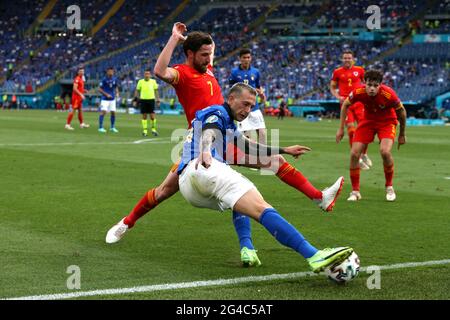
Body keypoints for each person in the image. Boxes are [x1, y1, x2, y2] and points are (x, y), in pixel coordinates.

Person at [106, 23, 344, 267]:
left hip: (225, 134)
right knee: (166, 191)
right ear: (190, 54)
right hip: (202, 136)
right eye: (204, 55)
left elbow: (210, 49)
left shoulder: (207, 69)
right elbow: (159, 70)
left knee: (258, 173)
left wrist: (209, 45)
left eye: (210, 54)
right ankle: (126, 222)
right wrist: (174, 38)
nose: (210, 59)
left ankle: (261, 238)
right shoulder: (182, 74)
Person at [177, 82, 354, 273]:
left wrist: (284, 149)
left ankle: (248, 249)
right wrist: (205, 150)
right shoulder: (219, 112)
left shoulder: (229, 123)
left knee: (239, 200)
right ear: (231, 99)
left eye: (251, 106)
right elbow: (209, 130)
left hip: (189, 187)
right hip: (204, 168)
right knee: (260, 206)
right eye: (245, 104)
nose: (248, 110)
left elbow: (249, 147)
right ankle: (314, 255)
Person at [336, 69, 407, 202]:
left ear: (380, 85)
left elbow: (402, 112)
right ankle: (355, 191)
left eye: (375, 85)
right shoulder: (359, 92)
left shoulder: (388, 94)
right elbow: (345, 105)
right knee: (354, 154)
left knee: (385, 152)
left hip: (387, 122)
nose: (372, 89)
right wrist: (341, 129)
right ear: (364, 83)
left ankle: (389, 186)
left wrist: (402, 134)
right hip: (368, 122)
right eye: (369, 85)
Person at [330, 50, 372, 170]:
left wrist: (366, 95)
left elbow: (367, 84)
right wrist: (338, 96)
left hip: (359, 103)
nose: (347, 60)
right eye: (345, 58)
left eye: (349, 58)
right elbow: (332, 87)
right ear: (342, 59)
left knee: (365, 129)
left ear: (353, 59)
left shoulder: (360, 70)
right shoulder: (337, 72)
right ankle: (357, 158)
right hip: (346, 104)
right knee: (351, 130)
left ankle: (364, 154)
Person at [229, 48, 267, 144]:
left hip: (254, 106)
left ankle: (263, 155)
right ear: (240, 59)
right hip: (241, 108)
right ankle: (250, 157)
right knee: (249, 136)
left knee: (262, 133)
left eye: (248, 57)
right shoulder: (234, 72)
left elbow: (258, 86)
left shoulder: (255, 72)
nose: (246, 59)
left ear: (251, 58)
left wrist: (262, 94)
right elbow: (232, 89)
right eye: (244, 57)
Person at [135, 70, 160, 136]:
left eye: (148, 74)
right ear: (144, 75)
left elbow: (156, 91)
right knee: (144, 116)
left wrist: (158, 99)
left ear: (150, 75)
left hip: (151, 100)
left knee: (152, 116)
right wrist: (135, 99)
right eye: (146, 74)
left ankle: (153, 130)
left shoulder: (153, 81)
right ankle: (145, 131)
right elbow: (137, 91)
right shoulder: (140, 81)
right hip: (143, 100)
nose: (147, 75)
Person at [98, 67, 120, 133]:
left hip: (112, 99)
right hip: (105, 99)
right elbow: (99, 89)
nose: (111, 72)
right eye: (109, 71)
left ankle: (112, 127)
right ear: (107, 72)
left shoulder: (115, 79)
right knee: (103, 112)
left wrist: (117, 93)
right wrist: (106, 94)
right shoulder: (104, 79)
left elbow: (116, 87)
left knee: (113, 112)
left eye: (112, 71)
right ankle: (100, 127)